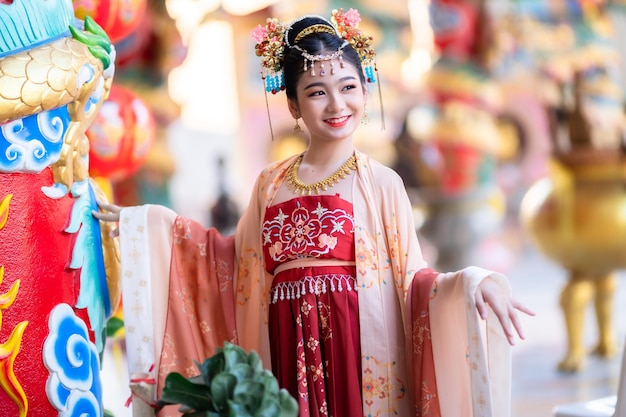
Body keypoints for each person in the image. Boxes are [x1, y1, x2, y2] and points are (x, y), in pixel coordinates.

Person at [94, 9, 534, 417]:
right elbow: (229, 263)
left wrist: (471, 282)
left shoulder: (382, 183)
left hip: (356, 347)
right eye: (317, 92)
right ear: (293, 106)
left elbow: (413, 281)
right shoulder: (270, 182)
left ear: (365, 89)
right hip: (283, 343)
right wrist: (147, 225)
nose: (336, 105)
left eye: (347, 87)